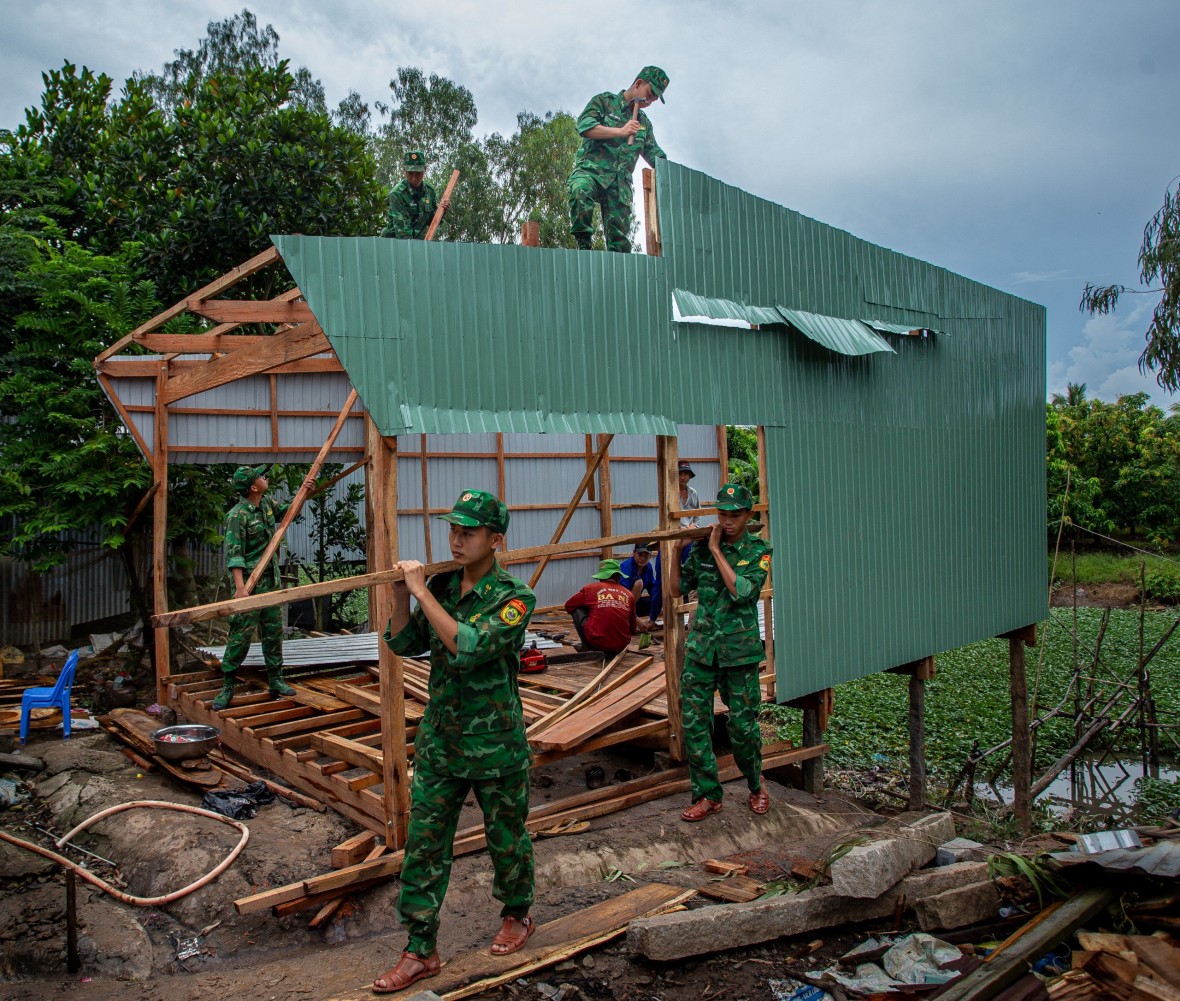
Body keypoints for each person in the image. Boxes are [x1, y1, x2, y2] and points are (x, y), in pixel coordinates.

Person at [372, 489, 537, 994]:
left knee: (505, 839)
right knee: (423, 845)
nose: (457, 538)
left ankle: (517, 914)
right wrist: (403, 595)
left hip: (496, 746)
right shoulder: (441, 585)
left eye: (468, 531)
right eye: (453, 529)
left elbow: (468, 647)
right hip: (442, 743)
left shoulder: (515, 598)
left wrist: (422, 592)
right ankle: (420, 948)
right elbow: (404, 642)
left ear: (496, 540)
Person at [678, 482, 773, 822]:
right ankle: (707, 794)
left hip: (739, 652)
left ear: (748, 515)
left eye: (735, 515)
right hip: (702, 649)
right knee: (694, 723)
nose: (728, 521)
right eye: (722, 514)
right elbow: (678, 585)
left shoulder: (759, 549)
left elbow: (743, 593)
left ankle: (755, 783)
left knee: (743, 727)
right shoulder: (701, 549)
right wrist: (680, 549)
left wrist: (718, 552)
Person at [214, 465, 313, 711]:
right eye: (260, 476)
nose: (265, 477)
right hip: (249, 582)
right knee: (241, 635)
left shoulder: (267, 503)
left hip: (271, 579)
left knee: (273, 631)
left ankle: (276, 679)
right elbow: (234, 555)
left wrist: (305, 493)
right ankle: (227, 684)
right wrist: (240, 589)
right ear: (253, 487)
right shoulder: (237, 516)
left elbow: (289, 512)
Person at [568, 66, 669, 252]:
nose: (650, 100)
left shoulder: (643, 124)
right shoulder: (605, 102)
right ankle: (584, 249)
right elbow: (584, 126)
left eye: (655, 98)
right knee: (579, 190)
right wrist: (621, 131)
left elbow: (655, 154)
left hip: (619, 185)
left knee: (620, 244)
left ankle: (617, 276)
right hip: (592, 172)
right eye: (650, 93)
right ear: (638, 83)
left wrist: (670, 169)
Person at [564, 558, 649, 655]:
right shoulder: (628, 594)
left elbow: (569, 606)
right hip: (621, 645)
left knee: (578, 609)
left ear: (601, 577)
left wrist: (592, 609)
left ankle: (586, 647)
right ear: (618, 577)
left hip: (596, 643)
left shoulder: (590, 588)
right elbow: (633, 628)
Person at [380, 149, 451, 240]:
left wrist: (442, 210)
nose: (414, 177)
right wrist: (413, 252)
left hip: (418, 243)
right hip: (394, 244)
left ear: (425, 169)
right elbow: (403, 232)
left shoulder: (429, 191)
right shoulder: (397, 194)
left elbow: (431, 222)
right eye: (410, 173)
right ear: (404, 170)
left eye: (418, 173)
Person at [619, 541, 657, 619]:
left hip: (636, 602)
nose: (642, 559)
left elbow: (652, 588)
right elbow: (623, 593)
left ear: (650, 556)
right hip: (622, 603)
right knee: (638, 582)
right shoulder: (626, 567)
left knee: (656, 603)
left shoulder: (648, 567)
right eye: (640, 554)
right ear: (634, 552)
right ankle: (629, 615)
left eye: (646, 556)